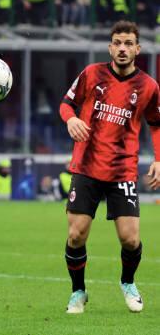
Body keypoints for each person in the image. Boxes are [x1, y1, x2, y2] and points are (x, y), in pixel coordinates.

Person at [59, 21, 160, 314]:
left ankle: (128, 282)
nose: (123, 48)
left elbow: (156, 124)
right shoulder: (91, 74)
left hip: (122, 170)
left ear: (138, 49)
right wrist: (71, 119)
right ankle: (78, 292)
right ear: (110, 47)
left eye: (129, 43)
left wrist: (158, 158)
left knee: (130, 239)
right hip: (86, 167)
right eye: (117, 43)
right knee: (76, 235)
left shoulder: (149, 86)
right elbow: (66, 104)